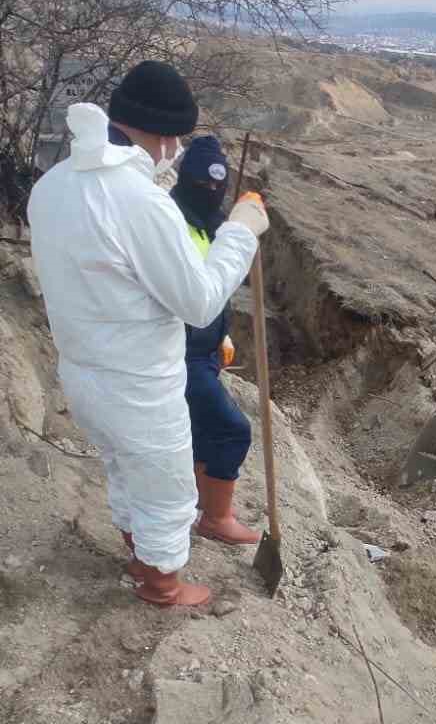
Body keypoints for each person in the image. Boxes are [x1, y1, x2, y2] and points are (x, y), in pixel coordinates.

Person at [27, 60, 268, 608]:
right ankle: (162, 584)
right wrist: (240, 233)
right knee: (164, 482)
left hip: (82, 367)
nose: (177, 152)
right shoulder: (140, 202)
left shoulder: (55, 185)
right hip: (137, 376)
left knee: (122, 464)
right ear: (164, 136)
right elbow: (199, 301)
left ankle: (139, 556)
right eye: (177, 139)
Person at [169, 134, 259, 545]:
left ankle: (196, 508)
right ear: (185, 178)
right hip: (177, 353)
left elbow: (218, 289)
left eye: (217, 186)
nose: (210, 191)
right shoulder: (171, 224)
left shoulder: (209, 224)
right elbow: (195, 293)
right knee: (231, 429)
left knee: (201, 432)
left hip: (204, 351)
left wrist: (221, 337)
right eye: (202, 183)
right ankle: (216, 518)